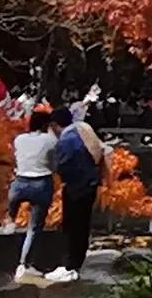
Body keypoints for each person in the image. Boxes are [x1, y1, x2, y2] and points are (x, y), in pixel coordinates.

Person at [41, 107, 106, 282]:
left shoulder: (67, 139)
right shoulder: (80, 132)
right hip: (89, 185)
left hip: (77, 187)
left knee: (72, 226)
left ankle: (69, 266)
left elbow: (62, 165)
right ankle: (75, 264)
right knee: (82, 226)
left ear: (54, 125)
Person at [8, 105, 60, 238]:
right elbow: (54, 166)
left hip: (20, 183)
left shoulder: (19, 139)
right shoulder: (51, 140)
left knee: (11, 213)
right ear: (46, 125)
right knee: (34, 228)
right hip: (41, 184)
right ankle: (25, 258)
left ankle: (9, 225)